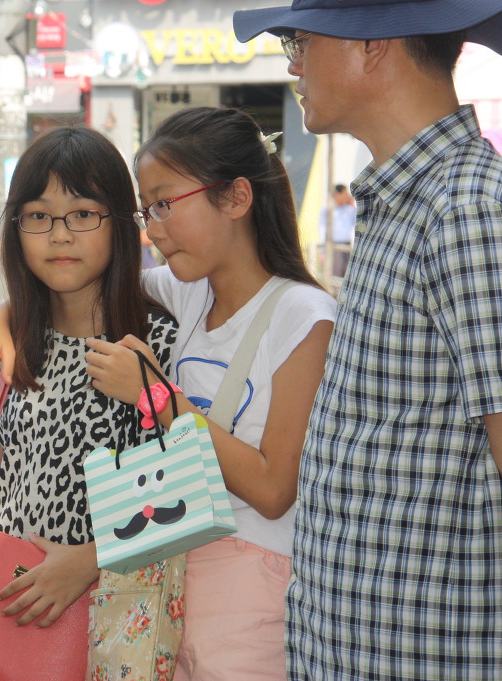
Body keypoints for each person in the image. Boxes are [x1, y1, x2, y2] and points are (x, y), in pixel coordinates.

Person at [0, 107, 336, 681]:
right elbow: (69, 282)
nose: (152, 229)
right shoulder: (185, 292)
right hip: (163, 580)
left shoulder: (303, 315)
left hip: (247, 586)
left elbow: (273, 489)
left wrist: (157, 398)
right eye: (145, 210)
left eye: (164, 205)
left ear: (236, 197)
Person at [232, 3, 502, 679]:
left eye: (300, 41)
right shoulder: (409, 203)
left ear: (373, 44)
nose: (293, 64)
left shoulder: (465, 207)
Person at [0, 125, 184, 678]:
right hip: (9, 624)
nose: (60, 235)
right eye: (38, 216)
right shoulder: (16, 347)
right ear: (15, 228)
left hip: (106, 630)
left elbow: (181, 495)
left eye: (83, 213)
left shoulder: (152, 346)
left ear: (120, 223)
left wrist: (89, 561)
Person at [316, 184, 356, 277]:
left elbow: (358, 225)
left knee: (347, 274)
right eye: (345, 194)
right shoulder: (327, 210)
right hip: (333, 247)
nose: (347, 196)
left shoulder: (350, 210)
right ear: (338, 194)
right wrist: (323, 251)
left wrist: (353, 205)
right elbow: (322, 230)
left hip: (347, 246)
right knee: (335, 275)